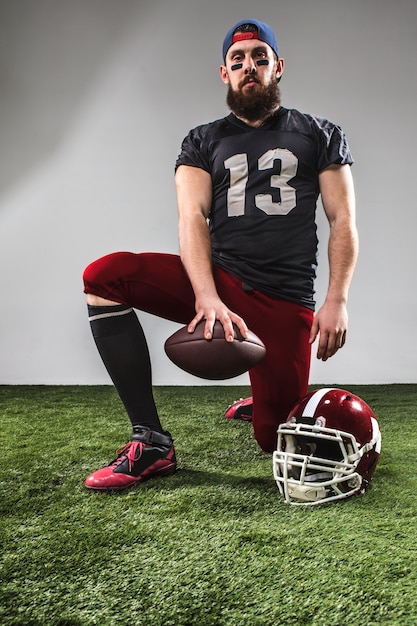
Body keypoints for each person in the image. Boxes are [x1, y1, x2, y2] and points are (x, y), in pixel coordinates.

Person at [82, 19, 359, 491]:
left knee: (276, 440)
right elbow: (191, 218)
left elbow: (343, 222)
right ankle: (151, 441)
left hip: (283, 298)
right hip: (219, 281)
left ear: (278, 67)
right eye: (238, 61)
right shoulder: (203, 139)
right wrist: (207, 297)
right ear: (224, 73)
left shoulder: (318, 133)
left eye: (259, 57)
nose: (248, 66)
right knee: (105, 276)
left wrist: (337, 299)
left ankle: (266, 397)